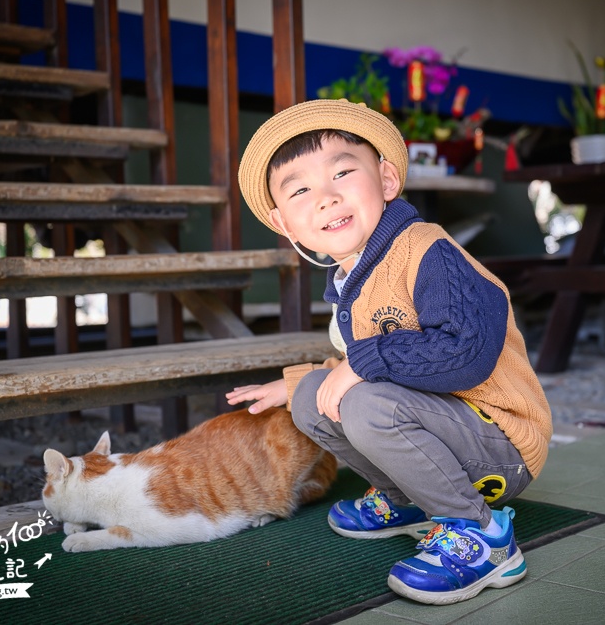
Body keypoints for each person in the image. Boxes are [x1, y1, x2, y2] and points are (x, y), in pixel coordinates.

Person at [226, 99, 552, 605]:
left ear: (387, 180)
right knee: (314, 396)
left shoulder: (427, 251)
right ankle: (409, 499)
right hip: (452, 435)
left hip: (501, 444)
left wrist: (360, 363)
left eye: (342, 173)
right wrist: (294, 385)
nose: (327, 198)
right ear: (283, 222)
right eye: (302, 189)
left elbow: (466, 353)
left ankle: (481, 535)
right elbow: (379, 361)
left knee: (364, 401)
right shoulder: (355, 275)